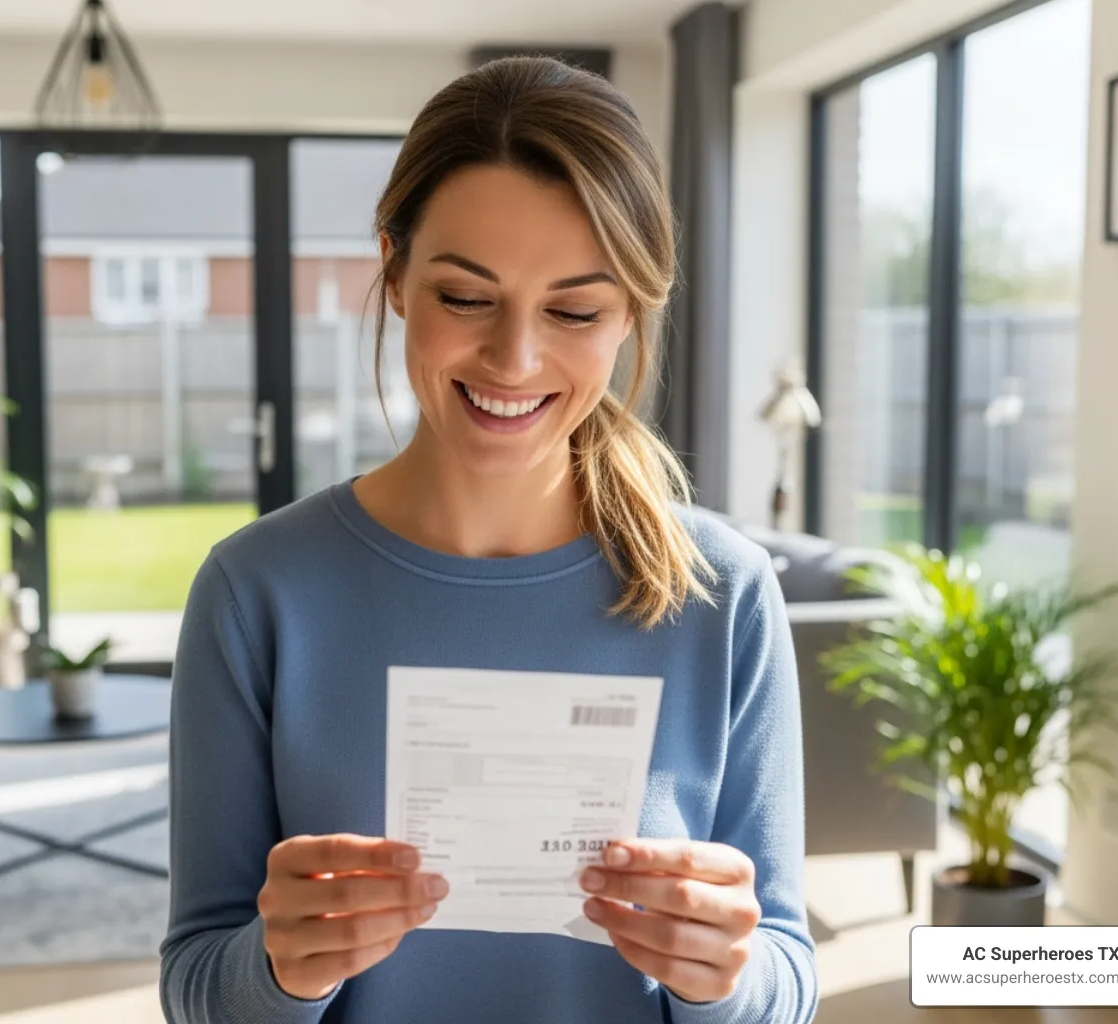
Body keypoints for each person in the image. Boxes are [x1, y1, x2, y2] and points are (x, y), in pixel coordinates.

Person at [159, 56, 818, 1024]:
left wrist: (725, 975)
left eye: (574, 310)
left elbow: (786, 983)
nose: (513, 358)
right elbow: (196, 990)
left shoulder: (723, 591)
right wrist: (281, 966)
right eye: (465, 297)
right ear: (393, 270)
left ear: (630, 311)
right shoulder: (257, 592)